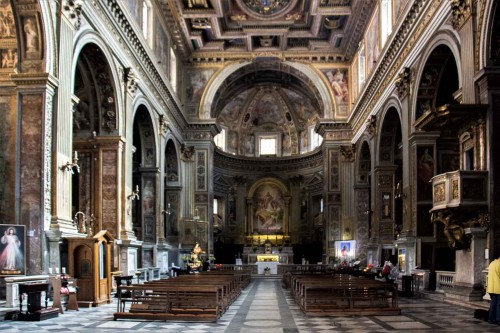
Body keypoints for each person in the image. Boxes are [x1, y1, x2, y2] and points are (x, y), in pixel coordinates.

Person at [487, 256, 500, 325]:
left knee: (493, 304)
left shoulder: (492, 263)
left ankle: (491, 319)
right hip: (498, 288)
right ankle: (498, 319)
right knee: (499, 305)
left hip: (491, 288)